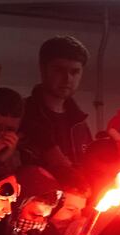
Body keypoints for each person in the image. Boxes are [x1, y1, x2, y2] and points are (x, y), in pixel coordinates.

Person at [20, 36, 93, 175]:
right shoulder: (22, 114)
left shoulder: (81, 124)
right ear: (43, 69)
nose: (67, 78)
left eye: (74, 72)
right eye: (59, 70)